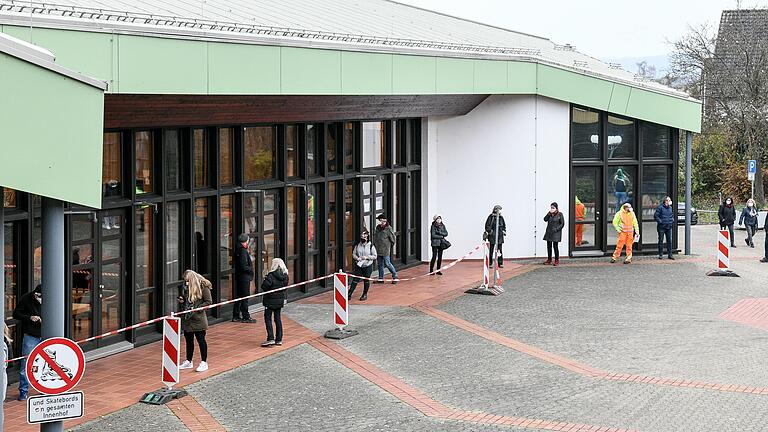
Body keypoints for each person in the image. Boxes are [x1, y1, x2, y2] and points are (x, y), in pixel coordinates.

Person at [178, 270, 212, 372]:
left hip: (198, 319)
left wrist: (198, 309)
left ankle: (203, 362)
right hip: (188, 318)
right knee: (189, 341)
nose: (186, 283)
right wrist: (182, 301)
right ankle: (188, 361)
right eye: (185, 281)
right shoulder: (186, 288)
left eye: (188, 281)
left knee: (201, 340)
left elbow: (208, 301)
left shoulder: (203, 287)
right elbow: (186, 301)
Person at [12, 284, 42, 401]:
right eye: (36, 295)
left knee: (45, 363)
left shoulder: (51, 298)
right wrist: (30, 318)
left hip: (45, 334)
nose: (38, 298)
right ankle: (23, 391)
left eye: (40, 296)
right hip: (31, 335)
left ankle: (44, 388)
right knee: (26, 362)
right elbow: (16, 314)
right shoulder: (26, 298)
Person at [260, 258, 289, 347]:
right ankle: (279, 339)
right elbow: (284, 287)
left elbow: (264, 287)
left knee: (268, 319)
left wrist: (264, 278)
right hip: (279, 301)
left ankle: (271, 338)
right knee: (278, 319)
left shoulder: (271, 275)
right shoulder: (285, 275)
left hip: (269, 301)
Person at [347, 231, 377, 301]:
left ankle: (364, 294)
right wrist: (357, 258)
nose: (363, 238)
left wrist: (366, 257)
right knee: (355, 280)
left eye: (364, 237)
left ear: (367, 237)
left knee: (366, 280)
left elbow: (375, 256)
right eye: (362, 236)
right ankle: (349, 293)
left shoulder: (371, 246)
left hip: (367, 265)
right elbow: (354, 254)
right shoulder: (357, 245)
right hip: (359, 265)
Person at [233, 233, 255, 323]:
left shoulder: (237, 249)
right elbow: (243, 266)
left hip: (239, 276)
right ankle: (245, 316)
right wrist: (251, 270)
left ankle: (236, 315)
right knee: (245, 297)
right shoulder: (243, 251)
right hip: (244, 277)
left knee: (238, 297)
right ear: (246, 241)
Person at [373, 214, 398, 284]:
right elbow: (376, 237)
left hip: (385, 250)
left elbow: (393, 239)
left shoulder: (389, 228)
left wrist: (388, 246)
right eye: (379, 220)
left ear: (385, 220)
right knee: (380, 264)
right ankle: (381, 278)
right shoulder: (377, 228)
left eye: (381, 220)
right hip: (378, 249)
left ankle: (395, 276)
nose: (380, 222)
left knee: (388, 263)